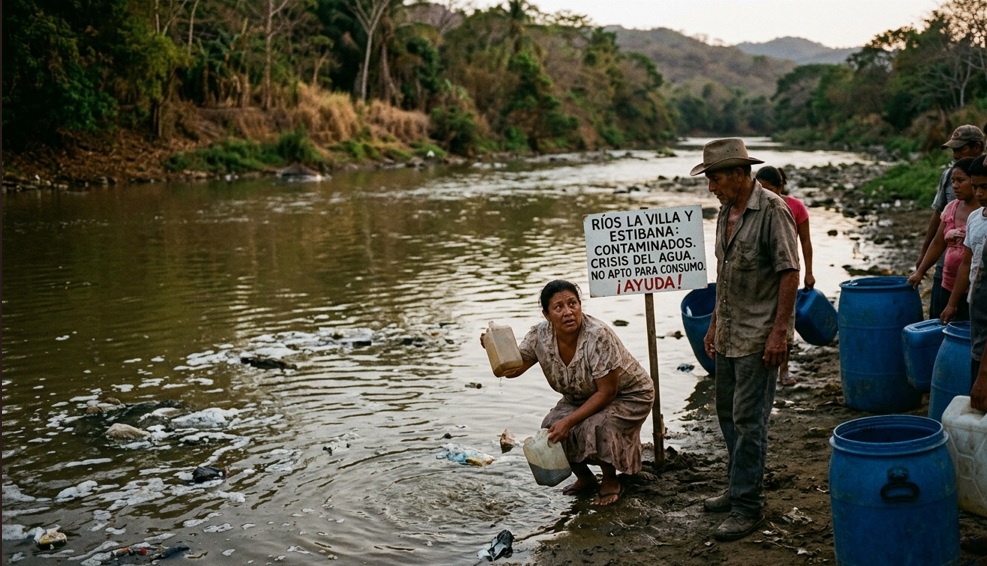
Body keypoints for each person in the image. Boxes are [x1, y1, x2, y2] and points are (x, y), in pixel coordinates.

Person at [692, 138, 800, 542]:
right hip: (730, 332)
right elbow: (726, 274)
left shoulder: (773, 209)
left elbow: (790, 272)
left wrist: (778, 333)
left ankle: (748, 507)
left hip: (759, 337)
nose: (711, 187)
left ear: (739, 174)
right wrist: (714, 324)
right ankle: (738, 487)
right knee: (726, 414)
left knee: (749, 422)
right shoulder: (726, 213)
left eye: (716, 178)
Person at [480, 280, 655, 506]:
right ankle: (586, 479)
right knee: (550, 426)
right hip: (581, 396)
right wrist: (493, 349)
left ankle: (611, 481)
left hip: (628, 395)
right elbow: (513, 369)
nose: (568, 312)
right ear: (547, 315)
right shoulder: (539, 336)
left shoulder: (597, 336)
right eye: (558, 307)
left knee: (598, 426)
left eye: (573, 304)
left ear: (580, 305)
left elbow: (607, 392)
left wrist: (569, 422)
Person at [915, 124, 985, 319]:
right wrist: (923, 258)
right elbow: (939, 218)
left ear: (977, 147)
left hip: (976, 273)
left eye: (960, 149)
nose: (955, 155)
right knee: (940, 317)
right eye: (953, 150)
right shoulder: (948, 176)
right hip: (946, 266)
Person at [756, 165, 814, 387]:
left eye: (769, 189)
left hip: (787, 271)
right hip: (762, 275)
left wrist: (809, 271)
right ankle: (762, 366)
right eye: (760, 188)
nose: (765, 193)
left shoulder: (795, 207)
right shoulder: (755, 206)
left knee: (785, 319)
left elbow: (806, 242)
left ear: (781, 187)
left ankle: (784, 369)